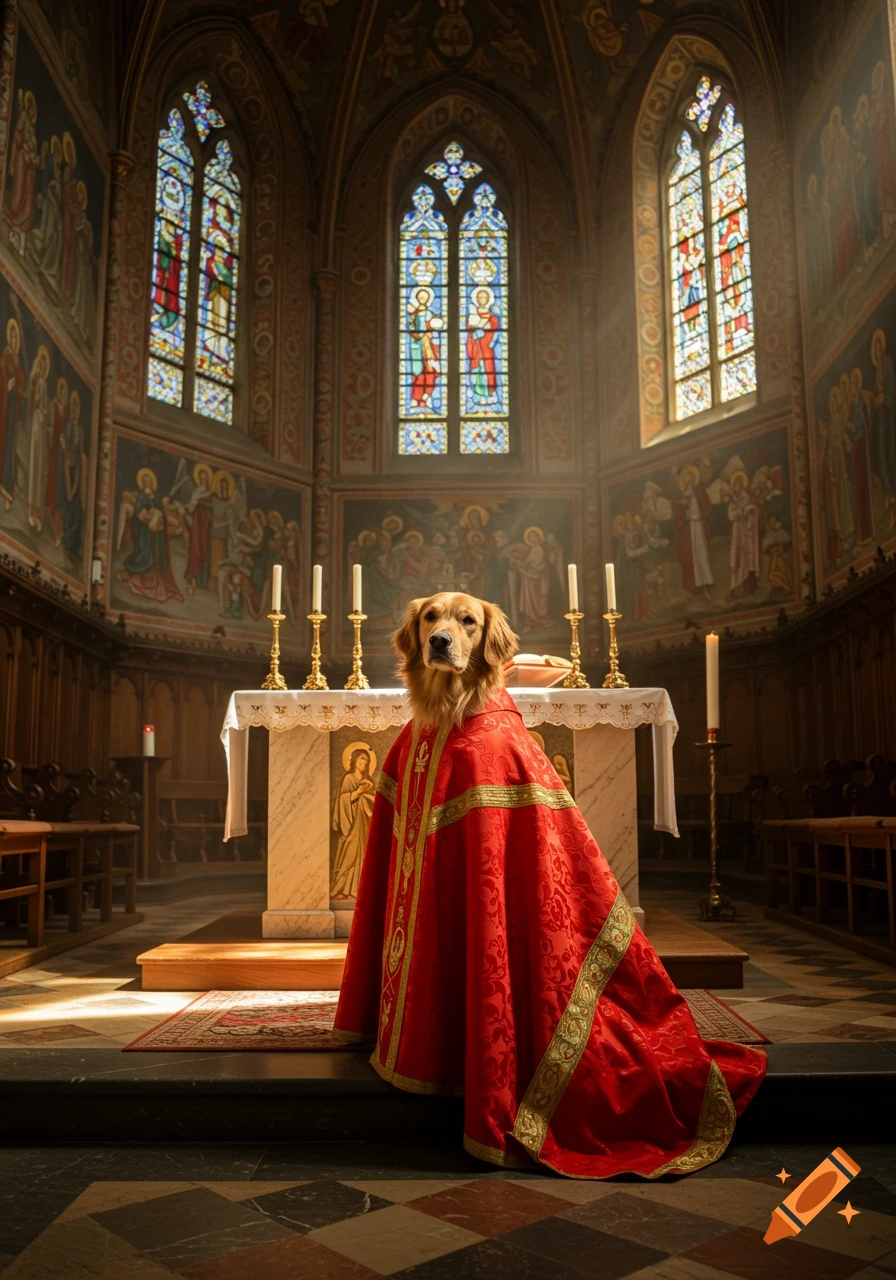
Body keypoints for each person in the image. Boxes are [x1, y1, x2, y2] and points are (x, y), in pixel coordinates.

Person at [331, 747, 376, 901]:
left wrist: (368, 791)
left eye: (367, 760)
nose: (365, 762)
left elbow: (373, 802)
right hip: (352, 824)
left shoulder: (368, 781)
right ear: (355, 760)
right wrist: (361, 792)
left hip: (365, 824)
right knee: (349, 855)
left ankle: (358, 889)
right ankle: (339, 888)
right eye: (362, 758)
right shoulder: (349, 779)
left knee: (363, 855)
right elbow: (343, 801)